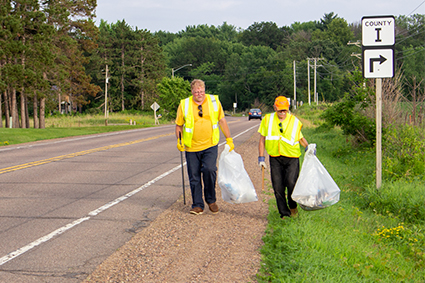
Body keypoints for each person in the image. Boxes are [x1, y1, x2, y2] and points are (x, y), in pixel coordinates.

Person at [176, 79, 234, 215]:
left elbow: (222, 120)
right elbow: (179, 125)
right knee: (194, 176)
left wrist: (229, 138)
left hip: (210, 144)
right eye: (196, 92)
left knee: (209, 170)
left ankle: (211, 200)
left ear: (204, 90)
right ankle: (197, 205)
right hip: (191, 147)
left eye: (201, 91)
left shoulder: (214, 101)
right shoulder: (184, 104)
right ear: (192, 92)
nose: (199, 94)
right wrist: (179, 140)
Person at [258, 96, 311, 219]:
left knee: (291, 184)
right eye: (279, 110)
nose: (282, 113)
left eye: (284, 110)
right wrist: (261, 158)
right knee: (278, 187)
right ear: (275, 107)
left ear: (288, 108)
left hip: (292, 157)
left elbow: (300, 138)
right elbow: (262, 140)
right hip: (275, 157)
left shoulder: (295, 121)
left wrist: (308, 148)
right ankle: (284, 214)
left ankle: (293, 208)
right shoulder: (267, 120)